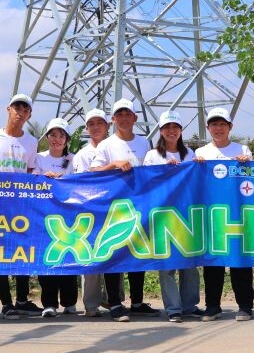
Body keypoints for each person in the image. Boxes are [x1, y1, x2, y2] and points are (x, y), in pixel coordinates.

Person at [91, 98, 161, 321]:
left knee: (137, 253)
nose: (123, 118)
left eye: (127, 114)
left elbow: (151, 171)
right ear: (113, 119)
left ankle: (137, 302)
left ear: (135, 118)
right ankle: (114, 303)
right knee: (114, 252)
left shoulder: (144, 143)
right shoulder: (106, 145)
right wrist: (113, 165)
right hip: (114, 207)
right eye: (119, 114)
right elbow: (93, 172)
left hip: (139, 204)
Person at [0, 94, 44, 319]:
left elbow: (31, 170)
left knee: (22, 252)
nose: (20, 112)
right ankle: (6, 303)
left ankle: (22, 300)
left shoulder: (32, 142)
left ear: (29, 115)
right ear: (8, 109)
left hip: (21, 205)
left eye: (25, 109)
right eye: (17, 107)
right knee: (0, 253)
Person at [194, 107, 254, 321]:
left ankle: (245, 306)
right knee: (213, 262)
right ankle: (213, 306)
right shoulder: (200, 153)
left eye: (222, 124)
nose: (218, 128)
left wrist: (247, 163)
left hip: (238, 213)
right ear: (208, 127)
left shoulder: (242, 149)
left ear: (230, 127)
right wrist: (197, 167)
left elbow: (252, 177)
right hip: (213, 214)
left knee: (240, 261)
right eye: (214, 124)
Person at [143, 111, 200, 323]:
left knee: (190, 264)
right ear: (160, 131)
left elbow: (197, 180)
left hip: (187, 214)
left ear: (181, 131)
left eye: (175, 127)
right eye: (167, 127)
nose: (171, 131)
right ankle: (173, 308)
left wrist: (200, 165)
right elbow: (146, 182)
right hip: (162, 214)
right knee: (167, 265)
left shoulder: (190, 154)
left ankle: (189, 305)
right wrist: (163, 171)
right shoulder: (152, 156)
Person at [70, 108, 123, 316]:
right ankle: (91, 305)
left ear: (107, 125)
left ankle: (114, 300)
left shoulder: (116, 147)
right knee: (90, 260)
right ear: (86, 128)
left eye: (99, 123)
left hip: (113, 210)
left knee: (114, 256)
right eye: (91, 124)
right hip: (90, 211)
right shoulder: (82, 155)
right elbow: (79, 184)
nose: (96, 127)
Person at [34, 117, 79, 317]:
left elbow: (80, 181)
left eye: (61, 136)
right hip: (44, 215)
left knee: (69, 256)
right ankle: (49, 303)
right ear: (47, 137)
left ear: (67, 139)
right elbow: (32, 179)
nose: (56, 139)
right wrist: (45, 178)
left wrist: (65, 179)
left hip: (69, 215)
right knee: (47, 259)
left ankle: (70, 302)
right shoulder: (39, 158)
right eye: (53, 135)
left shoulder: (74, 159)